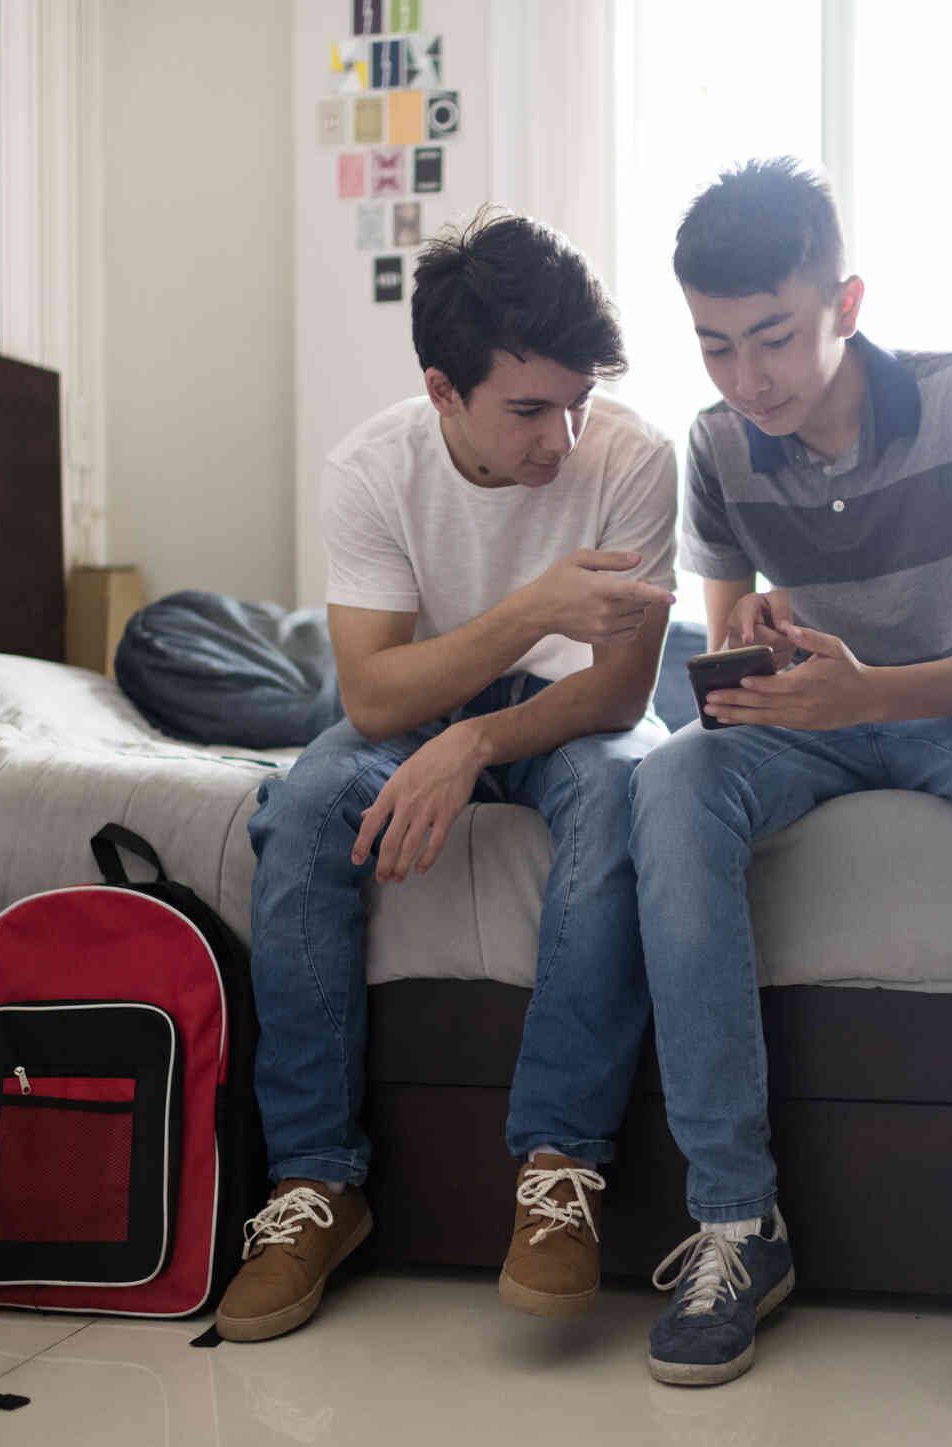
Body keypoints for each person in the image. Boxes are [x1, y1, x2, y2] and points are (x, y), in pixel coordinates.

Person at [630, 158, 952, 1393]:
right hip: (812, 711)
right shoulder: (716, 445)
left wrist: (873, 689)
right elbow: (728, 649)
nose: (747, 381)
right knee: (665, 783)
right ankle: (738, 1222)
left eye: (774, 338)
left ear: (846, 302)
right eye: (714, 348)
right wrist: (757, 641)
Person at [215, 208, 679, 1341]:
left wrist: (472, 744)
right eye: (528, 410)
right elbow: (373, 698)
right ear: (442, 389)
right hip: (421, 701)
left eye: (574, 402)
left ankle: (560, 1172)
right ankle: (315, 1185)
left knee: (627, 792)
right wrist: (527, 612)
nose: (560, 441)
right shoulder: (373, 470)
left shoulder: (634, 459)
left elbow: (620, 696)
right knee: (309, 800)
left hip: (573, 715)